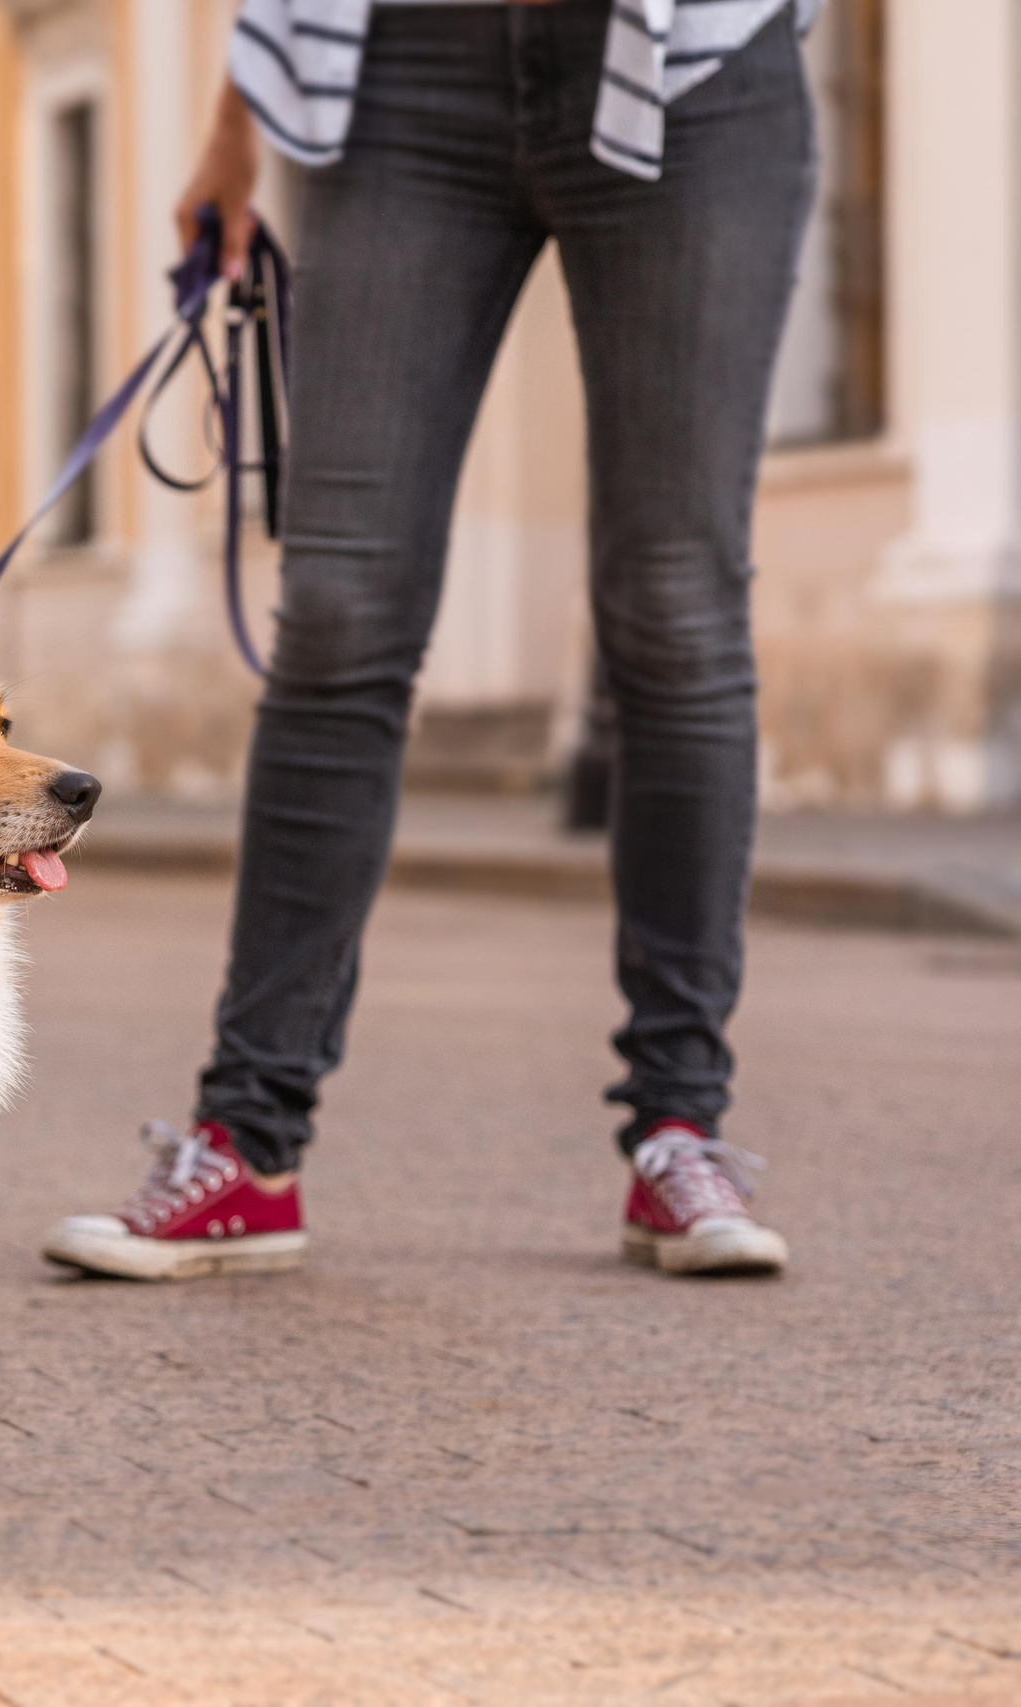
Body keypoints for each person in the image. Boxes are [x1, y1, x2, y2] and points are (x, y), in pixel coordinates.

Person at [42, 0, 818, 1283]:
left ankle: (682, 1128)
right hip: (397, 71)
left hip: (693, 72)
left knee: (673, 604)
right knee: (339, 608)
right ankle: (248, 1144)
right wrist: (241, 117)